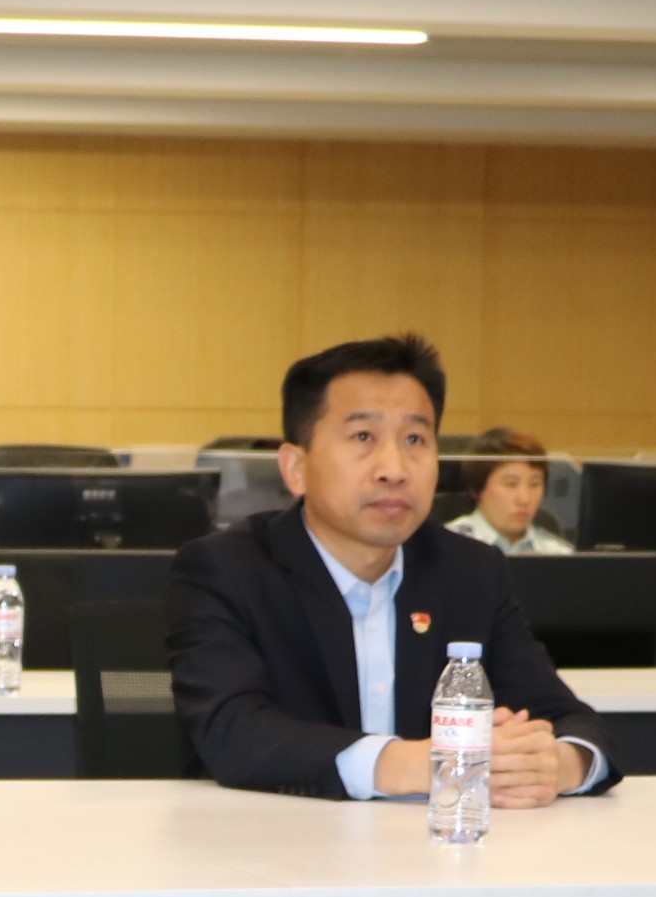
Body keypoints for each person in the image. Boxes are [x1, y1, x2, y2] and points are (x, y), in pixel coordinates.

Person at [170, 333, 614, 804]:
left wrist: (555, 764)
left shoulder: (470, 571)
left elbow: (567, 718)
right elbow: (232, 731)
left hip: (432, 843)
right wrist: (420, 763)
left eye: (415, 439)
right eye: (363, 437)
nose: (394, 468)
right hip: (276, 840)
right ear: (296, 468)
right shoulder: (228, 569)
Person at [446, 427, 573, 555]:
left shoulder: (559, 554)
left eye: (534, 484)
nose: (524, 499)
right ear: (477, 489)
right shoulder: (446, 546)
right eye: (511, 484)